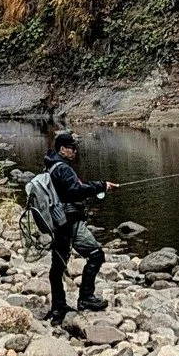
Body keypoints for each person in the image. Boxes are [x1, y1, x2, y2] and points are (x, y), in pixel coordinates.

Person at [43, 130, 118, 322]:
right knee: (96, 255)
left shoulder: (50, 166)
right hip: (69, 222)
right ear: (62, 149)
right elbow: (76, 192)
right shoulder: (63, 169)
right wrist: (101, 186)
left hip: (57, 222)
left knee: (57, 266)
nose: (75, 151)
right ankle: (86, 298)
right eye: (72, 148)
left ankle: (58, 307)